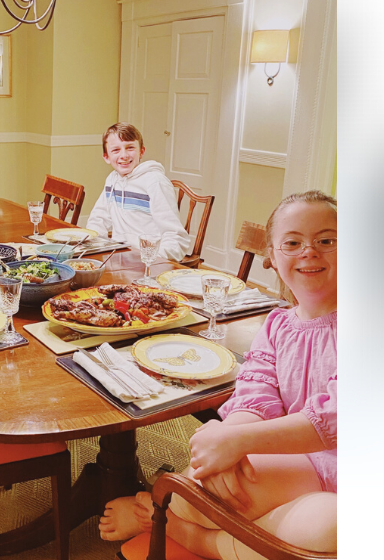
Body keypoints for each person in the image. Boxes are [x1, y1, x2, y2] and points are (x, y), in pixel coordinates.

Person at [98, 190, 338, 560]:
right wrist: (228, 436)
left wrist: (238, 442)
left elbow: (335, 418)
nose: (310, 251)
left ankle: (179, 531)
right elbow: (256, 392)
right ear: (272, 257)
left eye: (326, 240)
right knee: (194, 492)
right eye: (293, 242)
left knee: (328, 529)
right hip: (294, 456)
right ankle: (174, 515)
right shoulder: (278, 324)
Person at [85, 122, 191, 261]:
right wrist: (94, 247)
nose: (124, 155)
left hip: (149, 265)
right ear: (106, 157)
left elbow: (175, 237)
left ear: (141, 151)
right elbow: (99, 219)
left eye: (130, 148)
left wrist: (153, 260)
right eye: (116, 150)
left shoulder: (155, 182)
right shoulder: (112, 179)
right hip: (119, 259)